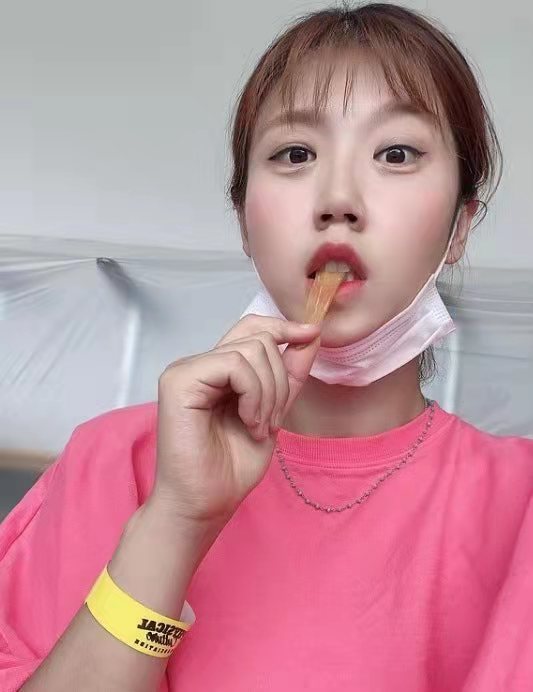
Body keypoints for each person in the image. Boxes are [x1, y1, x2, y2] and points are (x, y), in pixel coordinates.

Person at [1, 3, 532, 691]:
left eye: (396, 154)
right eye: (295, 154)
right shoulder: (111, 461)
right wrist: (176, 519)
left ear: (459, 227)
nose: (338, 198)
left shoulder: (519, 502)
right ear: (245, 222)